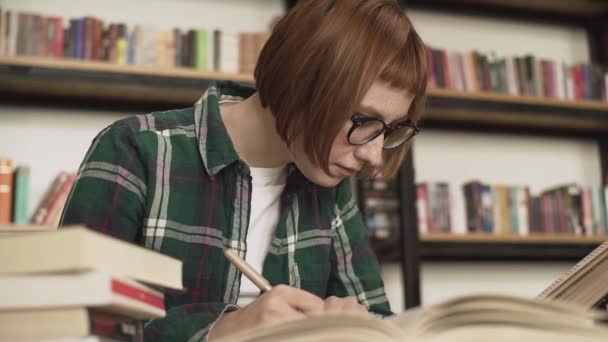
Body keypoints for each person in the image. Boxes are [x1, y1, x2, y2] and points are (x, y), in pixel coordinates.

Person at [60, 0, 428, 340]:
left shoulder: (328, 181)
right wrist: (221, 330)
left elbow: (378, 318)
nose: (375, 157)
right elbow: (70, 321)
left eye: (393, 130)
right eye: (363, 120)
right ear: (299, 82)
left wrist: (357, 328)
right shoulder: (137, 150)